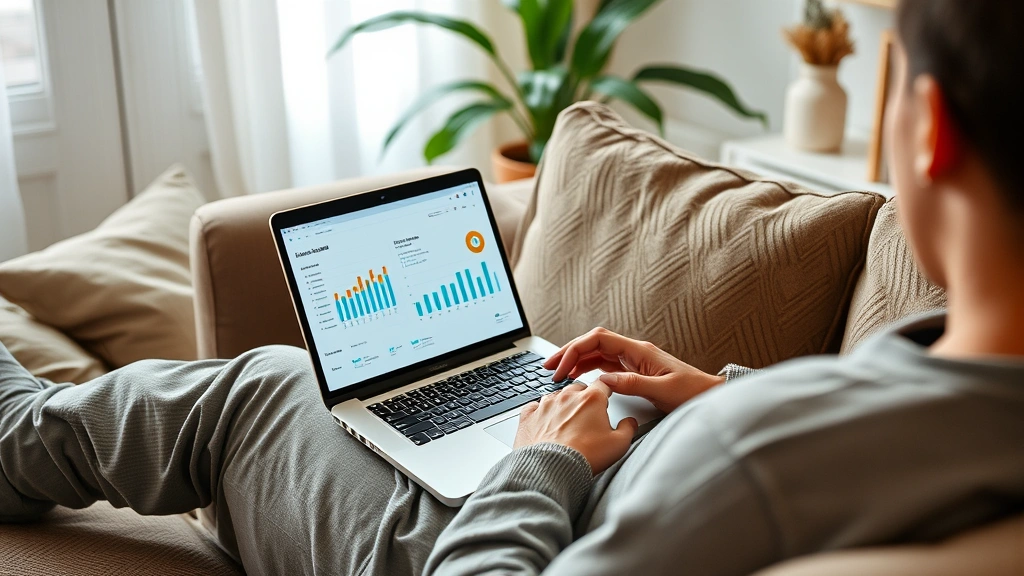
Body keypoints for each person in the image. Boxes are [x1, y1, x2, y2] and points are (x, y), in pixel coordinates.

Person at [2, 1, 1023, 574]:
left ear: (928, 129)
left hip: (505, 531)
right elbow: (845, 435)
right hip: (597, 478)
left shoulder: (754, 464)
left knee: (261, 385)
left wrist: (545, 460)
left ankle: (17, 435)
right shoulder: (966, 404)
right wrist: (707, 391)